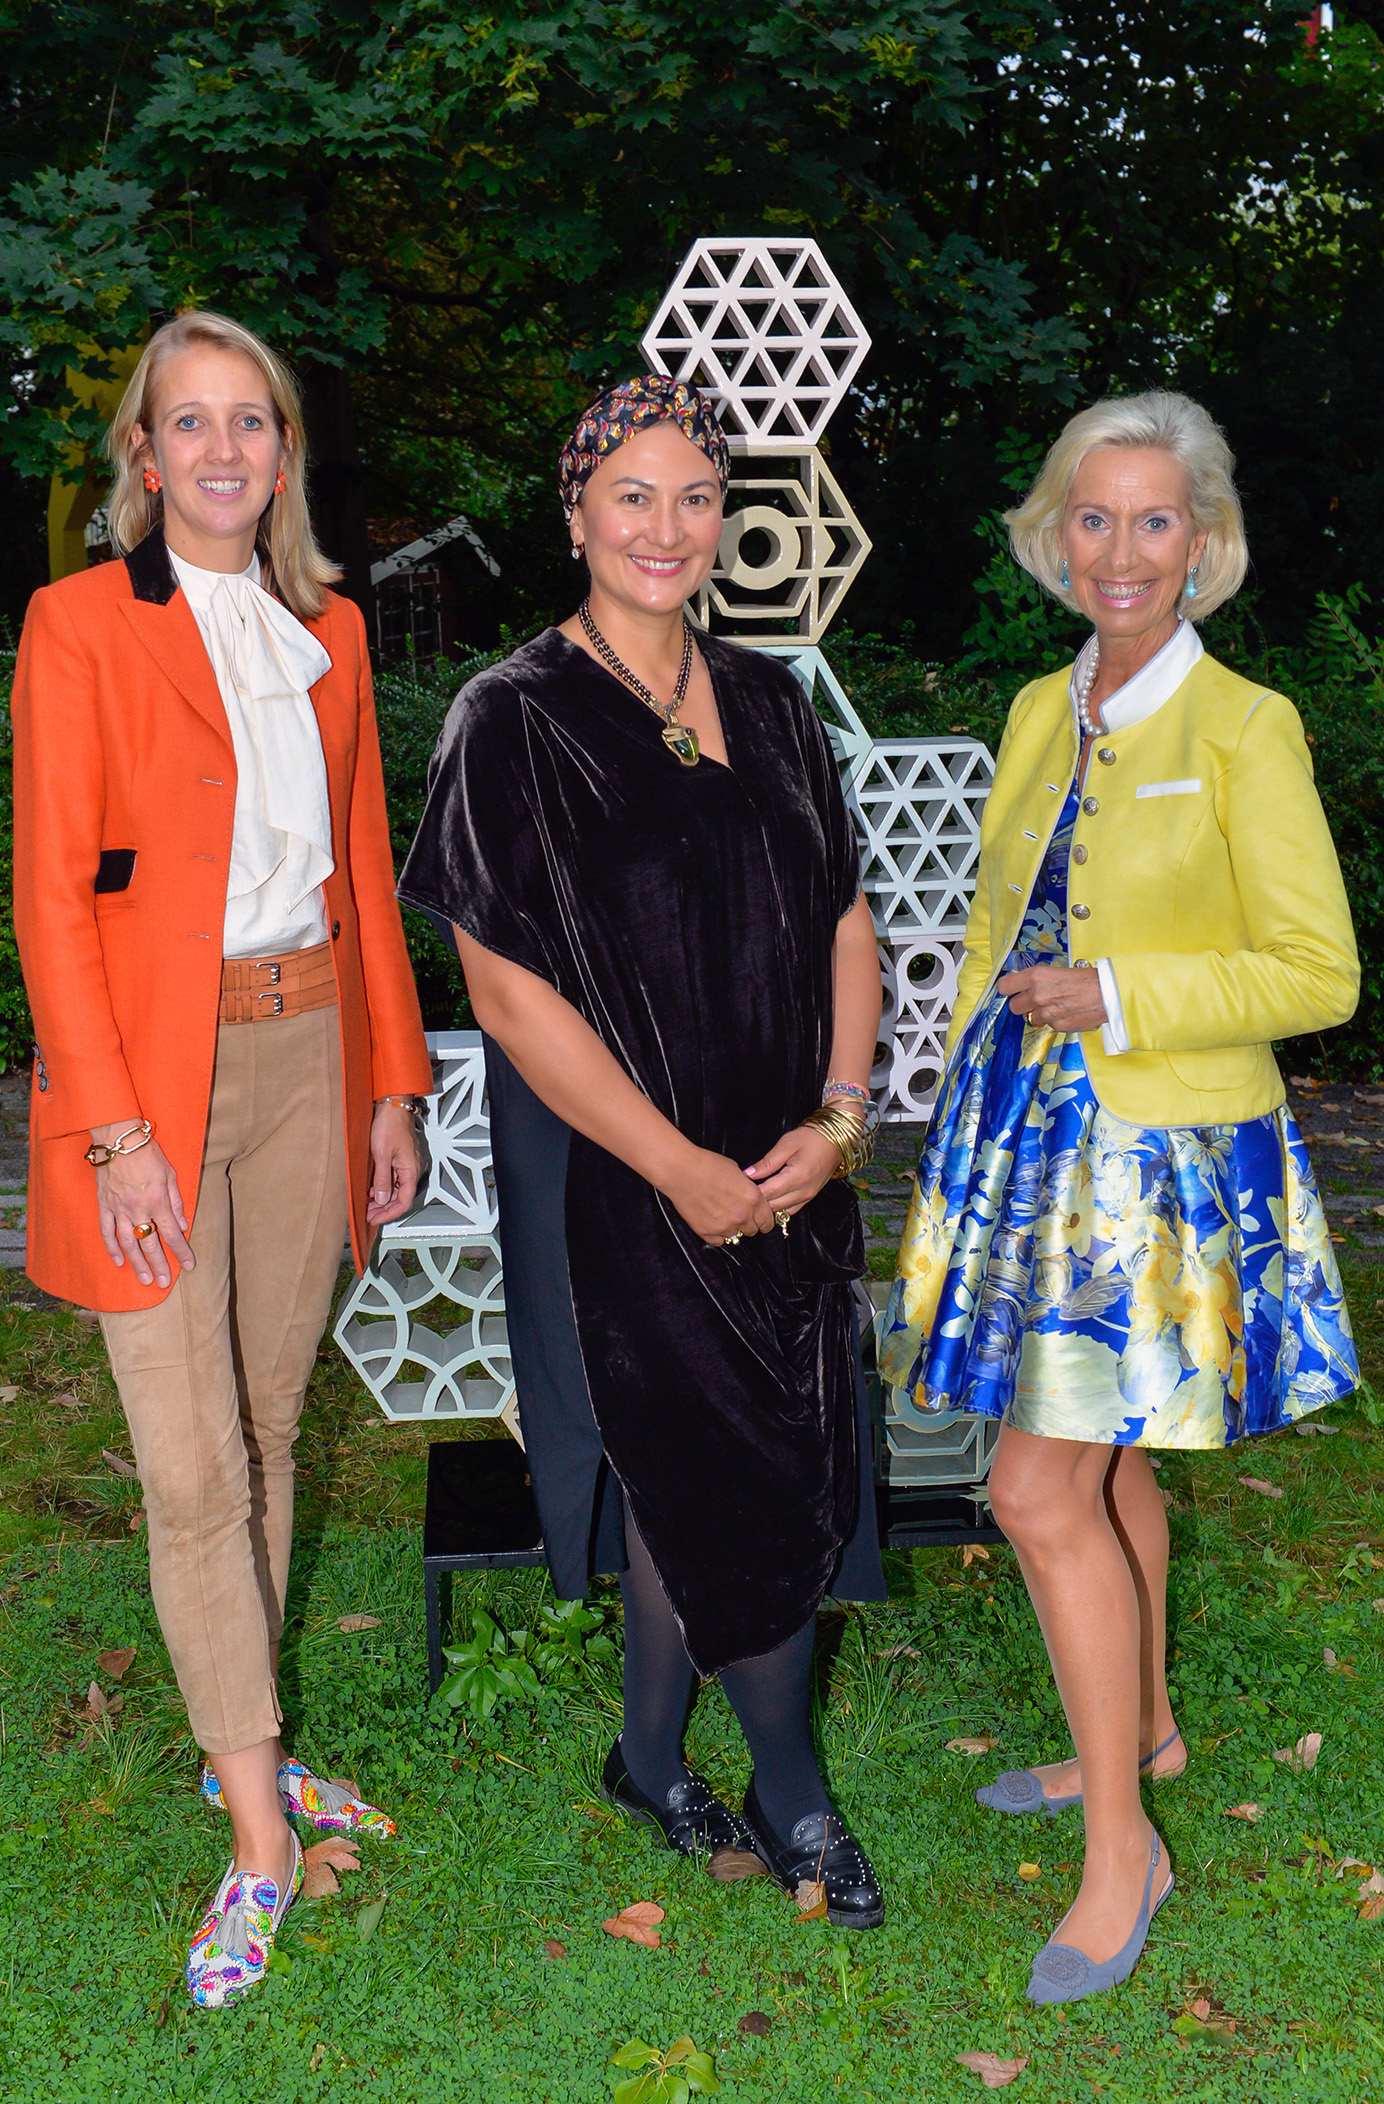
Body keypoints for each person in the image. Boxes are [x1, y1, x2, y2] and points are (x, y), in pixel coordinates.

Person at [880, 390, 1358, 2003]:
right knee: (1110, 1463)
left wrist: (1123, 993)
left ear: (1203, 545)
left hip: (1159, 1161)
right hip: (1026, 1145)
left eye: (1156, 520)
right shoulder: (1040, 707)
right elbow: (993, 923)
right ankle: (1139, 1737)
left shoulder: (1245, 727)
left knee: (1034, 1492)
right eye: (1094, 517)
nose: (1122, 550)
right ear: (1055, 534)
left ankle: (1121, 1854)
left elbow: (1318, 972)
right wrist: (960, 1093)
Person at [400, 374, 887, 1928]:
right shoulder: (511, 715)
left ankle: (648, 1754)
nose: (665, 528)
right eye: (632, 496)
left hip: (785, 1154)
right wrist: (676, 1166)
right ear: (575, 516)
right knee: (709, 1448)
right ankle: (792, 1789)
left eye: (695, 497)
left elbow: (846, 916)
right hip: (621, 1171)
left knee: (752, 1446)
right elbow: (505, 992)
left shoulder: (772, 702)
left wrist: (839, 1116)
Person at [11, 310, 432, 2007]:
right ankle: (258, 1835)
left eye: (249, 420)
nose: (222, 450)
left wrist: (393, 1085)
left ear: (283, 449)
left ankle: (238, 1742)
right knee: (191, 1469)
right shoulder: (78, 626)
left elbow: (363, 867)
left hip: (312, 1048)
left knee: (267, 1427)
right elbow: (52, 898)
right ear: (144, 453)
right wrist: (116, 1131)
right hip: (153, 1086)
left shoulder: (329, 626)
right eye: (188, 423)